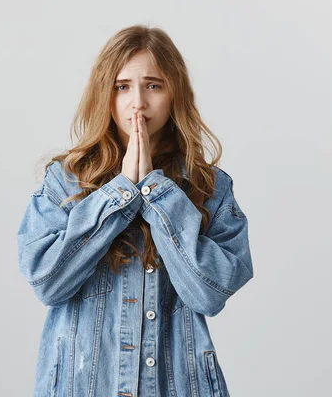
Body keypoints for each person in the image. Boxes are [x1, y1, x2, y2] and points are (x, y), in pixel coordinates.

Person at [16, 24, 254, 397]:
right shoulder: (66, 181)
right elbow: (47, 282)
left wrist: (157, 193)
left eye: (154, 85)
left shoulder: (209, 187)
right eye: (122, 86)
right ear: (105, 94)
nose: (138, 102)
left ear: (175, 93)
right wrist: (120, 193)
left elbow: (210, 294)